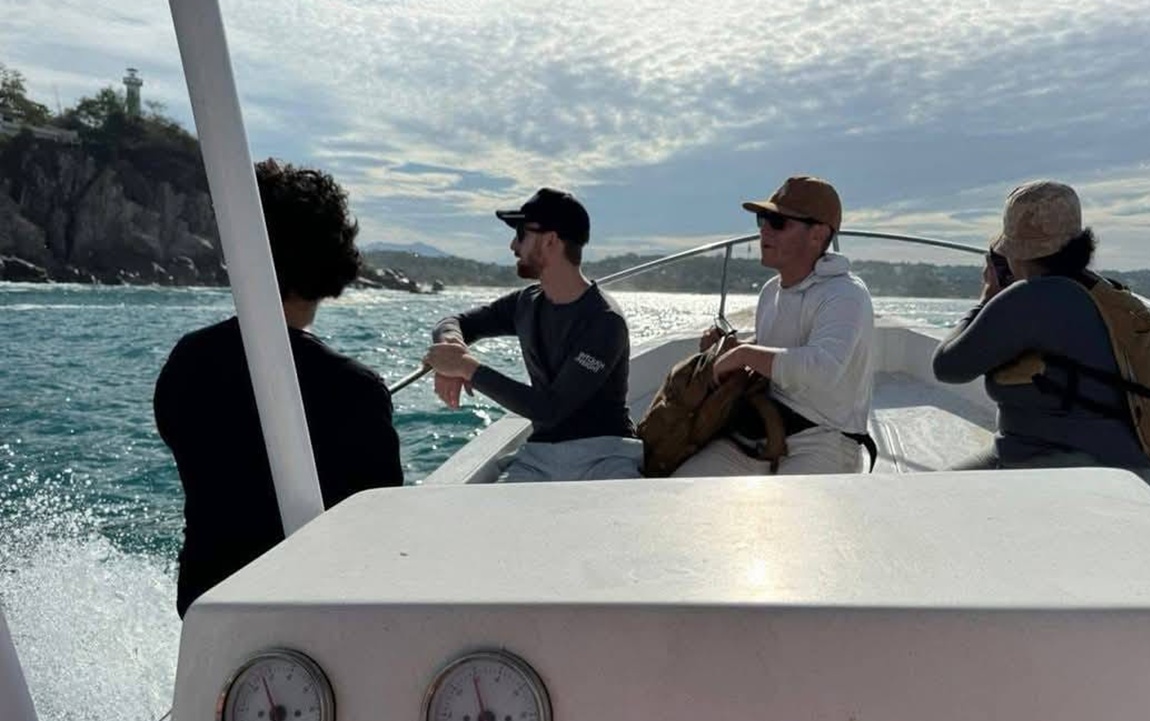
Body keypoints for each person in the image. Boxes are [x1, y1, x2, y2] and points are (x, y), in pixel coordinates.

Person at [155, 159, 404, 618]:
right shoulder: (355, 391)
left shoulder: (188, 360)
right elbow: (378, 534)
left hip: (205, 608)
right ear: (333, 257)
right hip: (309, 622)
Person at [931, 180, 1150, 481]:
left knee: (920, 500)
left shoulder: (1032, 298)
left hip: (1068, 471)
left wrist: (985, 300)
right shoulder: (1100, 291)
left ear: (1017, 251)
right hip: (1128, 470)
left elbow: (947, 366)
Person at [423, 187, 642, 482]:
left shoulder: (605, 321)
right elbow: (454, 321)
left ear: (550, 240)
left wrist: (464, 368)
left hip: (605, 454)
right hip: (540, 456)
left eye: (521, 234)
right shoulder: (525, 303)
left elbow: (550, 408)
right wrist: (451, 348)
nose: (513, 245)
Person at [673, 175, 875, 477]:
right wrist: (728, 348)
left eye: (778, 222)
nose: (764, 230)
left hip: (826, 438)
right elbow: (776, 347)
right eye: (762, 219)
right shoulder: (771, 290)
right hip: (765, 423)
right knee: (680, 488)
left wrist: (743, 355)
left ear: (818, 235)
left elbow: (823, 370)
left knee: (788, 507)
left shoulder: (845, 294)